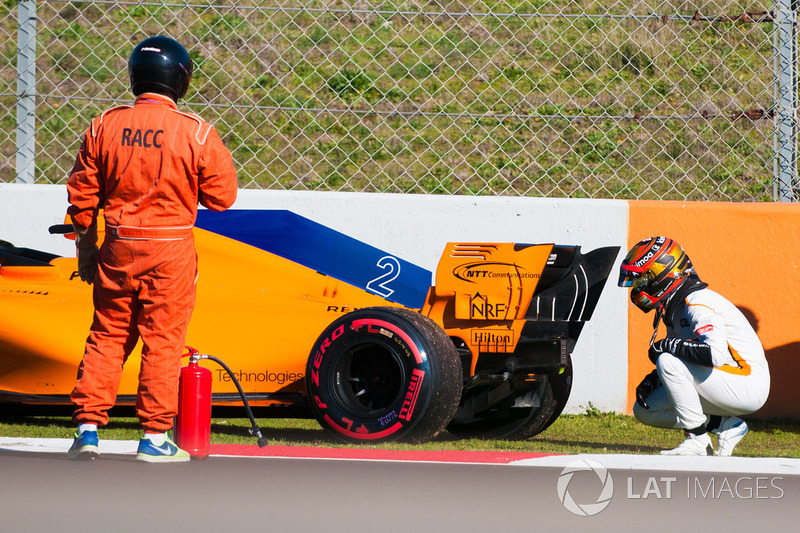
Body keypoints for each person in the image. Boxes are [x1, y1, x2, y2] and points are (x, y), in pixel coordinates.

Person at [65, 36, 238, 462]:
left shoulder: (102, 124)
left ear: (135, 76)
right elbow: (223, 198)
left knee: (107, 334)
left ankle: (87, 430)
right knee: (163, 340)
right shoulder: (197, 132)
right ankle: (154, 437)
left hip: (118, 244)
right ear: (181, 79)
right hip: (171, 247)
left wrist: (86, 251)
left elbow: (82, 199)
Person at [619, 237, 770, 456]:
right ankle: (725, 425)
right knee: (645, 410)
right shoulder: (677, 304)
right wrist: (659, 375)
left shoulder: (697, 302)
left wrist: (670, 347)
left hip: (747, 383)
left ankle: (698, 441)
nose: (637, 287)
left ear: (663, 274)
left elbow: (715, 355)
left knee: (668, 361)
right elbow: (689, 355)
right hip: (723, 380)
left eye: (642, 280)